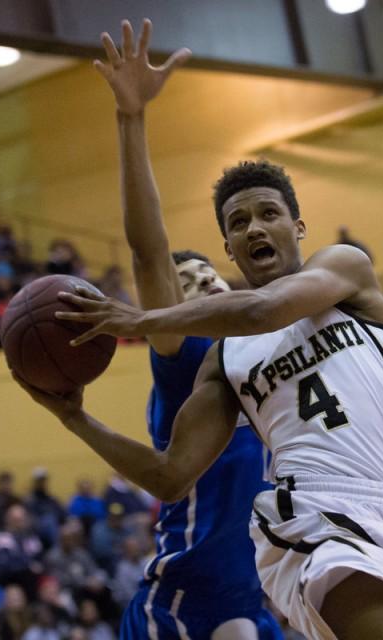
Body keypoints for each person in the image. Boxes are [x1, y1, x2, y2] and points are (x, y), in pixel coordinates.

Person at [15, 20, 383, 640]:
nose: (254, 228)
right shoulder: (217, 356)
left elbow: (264, 310)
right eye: (239, 222)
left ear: (298, 227)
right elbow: (170, 474)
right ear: (229, 245)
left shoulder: (343, 270)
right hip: (298, 531)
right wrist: (75, 413)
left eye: (269, 214)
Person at [83, 19, 282, 640]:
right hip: (185, 603)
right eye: (185, 284)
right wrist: (131, 118)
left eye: (206, 277)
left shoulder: (282, 353)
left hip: (256, 596)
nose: (202, 286)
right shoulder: (188, 353)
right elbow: (149, 252)